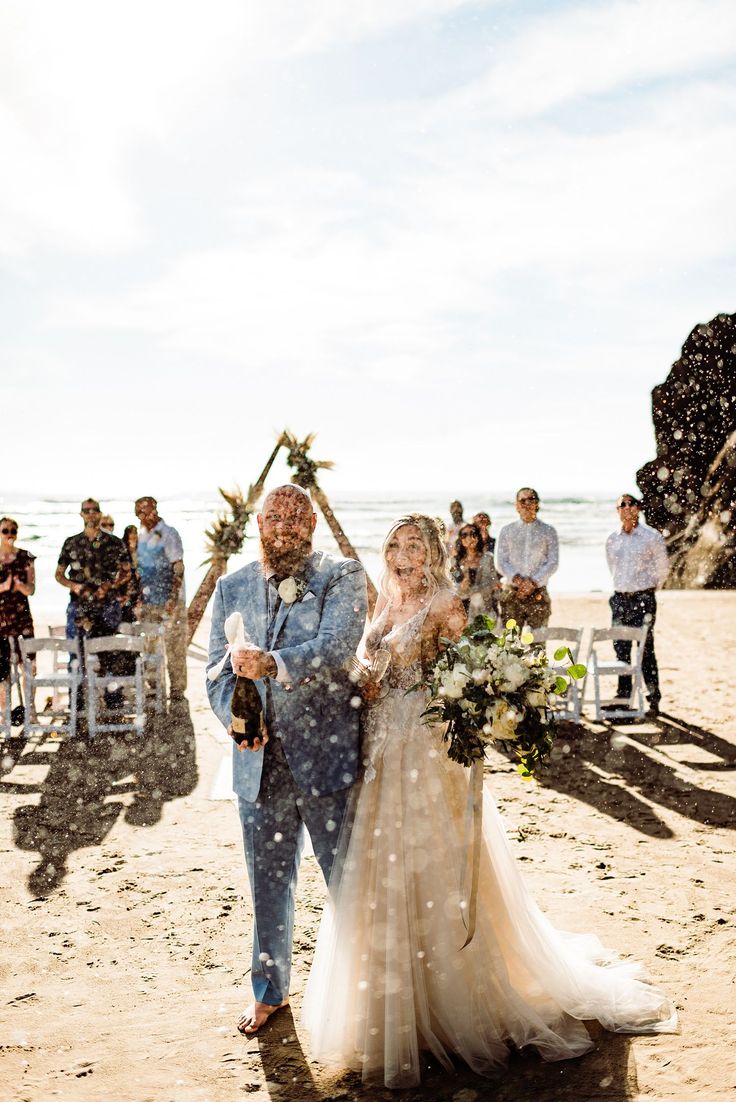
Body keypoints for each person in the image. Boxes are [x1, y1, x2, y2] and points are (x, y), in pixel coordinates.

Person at [302, 514, 677, 1089]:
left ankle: (452, 1008)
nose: (403, 557)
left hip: (425, 754)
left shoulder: (448, 605)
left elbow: (467, 681)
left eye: (414, 547)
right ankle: (394, 1005)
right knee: (383, 871)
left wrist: (455, 706)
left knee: (434, 865)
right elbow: (368, 669)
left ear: (431, 552)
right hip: (380, 753)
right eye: (395, 546)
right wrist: (365, 677)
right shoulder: (383, 605)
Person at [206, 484, 368, 1038]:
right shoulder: (231, 586)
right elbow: (215, 673)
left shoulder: (340, 576)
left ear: (313, 527)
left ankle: (370, 990)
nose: (285, 525)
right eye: (273, 516)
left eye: (297, 517)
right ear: (257, 523)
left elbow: (339, 646)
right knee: (267, 884)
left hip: (325, 759)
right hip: (257, 767)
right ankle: (269, 992)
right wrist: (236, 718)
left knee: (347, 879)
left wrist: (272, 663)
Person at [605, 493, 669, 716]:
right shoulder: (613, 538)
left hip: (644, 598)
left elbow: (662, 569)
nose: (626, 508)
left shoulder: (651, 536)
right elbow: (612, 566)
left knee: (645, 649)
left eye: (631, 503)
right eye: (621, 504)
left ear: (639, 508)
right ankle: (624, 695)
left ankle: (653, 698)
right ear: (617, 511)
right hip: (620, 599)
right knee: (621, 649)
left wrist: (647, 591)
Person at [134, 496, 187, 701]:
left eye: (150, 509)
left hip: (170, 600)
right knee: (149, 645)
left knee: (175, 646)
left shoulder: (169, 534)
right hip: (148, 601)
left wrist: (173, 599)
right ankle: (154, 686)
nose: (148, 514)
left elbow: (178, 567)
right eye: (142, 511)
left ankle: (177, 690)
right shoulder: (139, 537)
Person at [56, 499, 129, 643]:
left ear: (100, 514)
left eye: (94, 510)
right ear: (81, 514)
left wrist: (110, 585)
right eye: (87, 511)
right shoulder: (72, 543)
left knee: (109, 651)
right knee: (77, 653)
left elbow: (127, 572)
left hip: (108, 603)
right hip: (79, 604)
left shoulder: (114, 543)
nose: (91, 514)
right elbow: (59, 575)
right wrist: (75, 586)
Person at [496, 488, 558, 628]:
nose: (527, 503)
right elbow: (501, 561)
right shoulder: (506, 530)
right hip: (512, 592)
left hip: (538, 593)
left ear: (537, 504)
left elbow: (553, 562)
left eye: (531, 499)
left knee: (538, 644)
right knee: (510, 643)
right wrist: (518, 580)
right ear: (516, 505)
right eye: (523, 500)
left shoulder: (549, 531)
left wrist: (533, 583)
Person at [0, 517, 36, 715]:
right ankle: (4, 714)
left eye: (13, 530)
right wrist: (5, 586)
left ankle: (30, 710)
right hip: (1, 618)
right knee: (2, 669)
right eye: (5, 530)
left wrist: (20, 586)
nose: (10, 534)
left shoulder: (25, 557)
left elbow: (31, 588)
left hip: (21, 616)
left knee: (29, 664)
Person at [450, 522, 499, 618]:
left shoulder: (488, 559)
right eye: (464, 535)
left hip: (485, 606)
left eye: (473, 534)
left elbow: (492, 583)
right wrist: (461, 587)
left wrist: (470, 590)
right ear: (460, 539)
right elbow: (452, 586)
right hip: (463, 609)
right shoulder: (454, 562)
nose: (469, 538)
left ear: (478, 537)